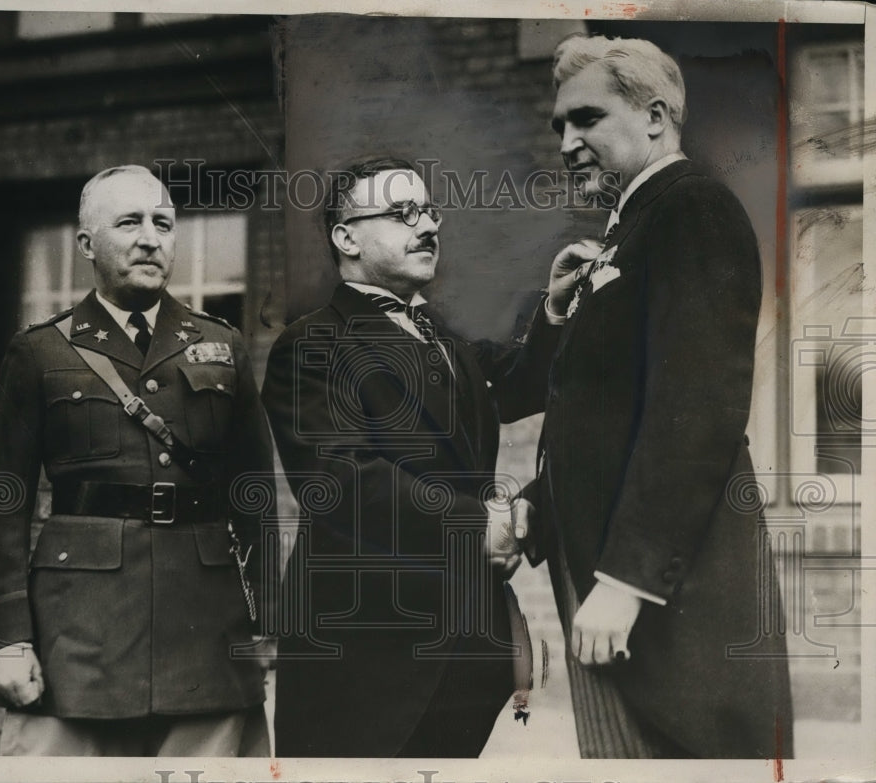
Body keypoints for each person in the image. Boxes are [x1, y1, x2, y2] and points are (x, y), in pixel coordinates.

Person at [479, 35, 794, 758]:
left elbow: (698, 413)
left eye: (586, 118)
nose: (566, 142)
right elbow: (601, 423)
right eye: (559, 125)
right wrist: (536, 507)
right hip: (613, 591)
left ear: (655, 117)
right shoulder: (630, 232)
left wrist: (627, 579)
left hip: (664, 604)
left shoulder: (694, 210)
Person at [0, 165, 276, 756]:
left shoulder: (222, 345)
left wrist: (268, 618)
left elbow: (254, 494)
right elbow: (0, 505)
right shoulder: (40, 350)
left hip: (205, 628)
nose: (150, 237)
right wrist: (8, 639)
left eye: (163, 223)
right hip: (76, 633)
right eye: (129, 222)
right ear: (87, 244)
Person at [261, 157, 520, 757]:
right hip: (364, 658)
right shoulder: (310, 344)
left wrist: (558, 311)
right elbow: (341, 481)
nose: (426, 225)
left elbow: (529, 381)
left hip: (463, 652)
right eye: (403, 214)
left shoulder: (448, 341)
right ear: (346, 238)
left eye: (428, 211)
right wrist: (475, 523)